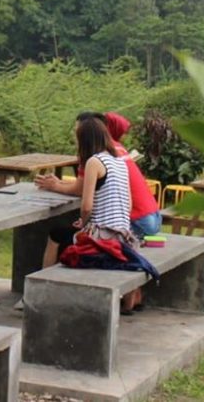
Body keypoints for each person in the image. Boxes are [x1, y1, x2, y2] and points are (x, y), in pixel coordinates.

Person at [34, 116, 139, 312]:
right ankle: (128, 301)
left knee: (55, 235)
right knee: (67, 234)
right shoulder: (120, 162)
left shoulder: (94, 162)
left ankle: (41, 290)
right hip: (124, 235)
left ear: (86, 140)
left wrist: (83, 224)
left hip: (102, 237)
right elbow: (129, 204)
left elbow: (87, 206)